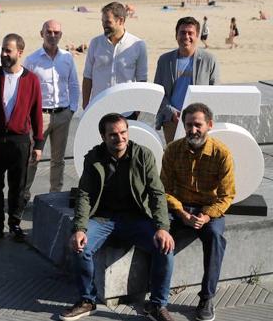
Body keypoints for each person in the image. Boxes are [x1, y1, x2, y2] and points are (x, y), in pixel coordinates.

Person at [60, 113, 174, 321]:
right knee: (80, 247)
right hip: (103, 219)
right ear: (103, 137)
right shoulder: (94, 158)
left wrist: (162, 227)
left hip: (136, 218)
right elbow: (84, 195)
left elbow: (157, 193)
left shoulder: (143, 155)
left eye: (123, 133)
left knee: (165, 247)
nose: (120, 138)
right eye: (113, 134)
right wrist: (79, 229)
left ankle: (158, 305)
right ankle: (87, 300)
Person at [161, 103, 235, 321]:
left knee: (214, 237)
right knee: (159, 234)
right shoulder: (172, 150)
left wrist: (206, 215)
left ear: (209, 125)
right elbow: (163, 190)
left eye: (198, 125)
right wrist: (183, 214)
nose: (193, 130)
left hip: (208, 209)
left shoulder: (222, 154)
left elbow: (227, 195)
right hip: (179, 207)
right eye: (188, 125)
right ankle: (158, 299)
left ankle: (207, 297)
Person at [0, 33, 43, 244]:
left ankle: (15, 224)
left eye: (8, 50)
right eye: (3, 50)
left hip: (19, 141)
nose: (4, 54)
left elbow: (36, 114)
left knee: (18, 187)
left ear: (19, 53)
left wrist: (38, 144)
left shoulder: (31, 80)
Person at [23, 20, 79, 195]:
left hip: (63, 114)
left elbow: (74, 84)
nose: (52, 35)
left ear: (61, 35)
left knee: (58, 159)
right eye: (49, 32)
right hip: (40, 116)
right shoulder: (32, 60)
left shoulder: (67, 58)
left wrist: (72, 109)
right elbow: (25, 90)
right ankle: (23, 194)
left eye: (56, 32)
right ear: (42, 34)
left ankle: (55, 193)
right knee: (33, 156)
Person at [154, 17, 219, 144]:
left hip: (199, 122)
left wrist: (201, 116)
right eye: (182, 32)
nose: (186, 36)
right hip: (172, 121)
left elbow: (214, 92)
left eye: (190, 33)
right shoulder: (165, 60)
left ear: (197, 36)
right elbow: (158, 92)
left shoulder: (209, 60)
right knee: (175, 160)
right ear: (176, 35)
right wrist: (171, 112)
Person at [82, 2, 147, 119]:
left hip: (127, 110)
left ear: (120, 21)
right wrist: (86, 104)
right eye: (102, 22)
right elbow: (87, 76)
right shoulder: (95, 43)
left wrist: (138, 107)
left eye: (108, 22)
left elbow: (141, 79)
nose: (104, 25)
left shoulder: (138, 45)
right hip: (98, 108)